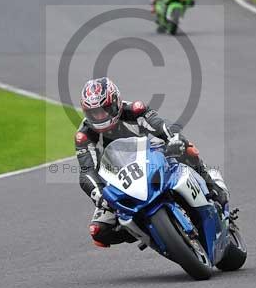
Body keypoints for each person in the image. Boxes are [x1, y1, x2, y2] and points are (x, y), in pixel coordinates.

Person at [75, 77, 229, 247]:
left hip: (151, 157)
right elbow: (87, 171)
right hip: (120, 181)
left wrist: (171, 140)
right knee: (98, 232)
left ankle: (212, 185)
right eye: (93, 113)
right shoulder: (84, 136)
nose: (99, 117)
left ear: (115, 102)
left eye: (103, 110)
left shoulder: (134, 110)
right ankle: (144, 231)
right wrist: (100, 195)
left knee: (185, 146)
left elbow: (160, 125)